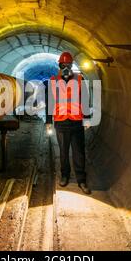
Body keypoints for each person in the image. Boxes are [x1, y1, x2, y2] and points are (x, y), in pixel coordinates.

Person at [45, 52, 91, 195]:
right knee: (63, 152)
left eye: (68, 65)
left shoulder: (79, 79)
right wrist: (48, 121)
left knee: (79, 152)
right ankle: (65, 176)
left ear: (72, 66)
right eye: (63, 65)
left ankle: (81, 180)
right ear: (59, 65)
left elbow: (84, 99)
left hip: (76, 122)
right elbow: (50, 102)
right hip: (60, 122)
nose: (66, 67)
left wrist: (87, 118)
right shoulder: (53, 81)